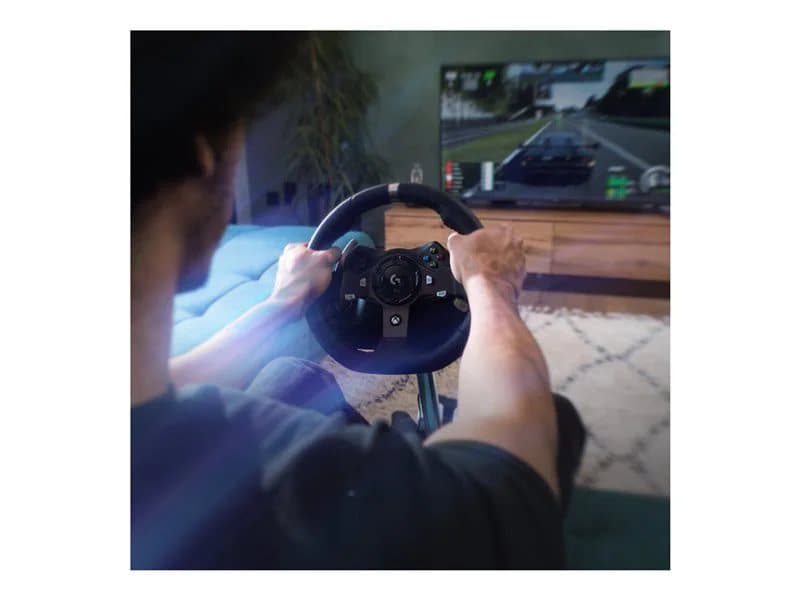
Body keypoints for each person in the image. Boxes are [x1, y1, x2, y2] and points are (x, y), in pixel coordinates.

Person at [131, 31, 586, 569]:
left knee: (288, 375)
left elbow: (175, 379)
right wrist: (491, 284)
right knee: (554, 418)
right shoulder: (435, 516)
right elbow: (511, 471)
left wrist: (283, 301)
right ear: (204, 153)